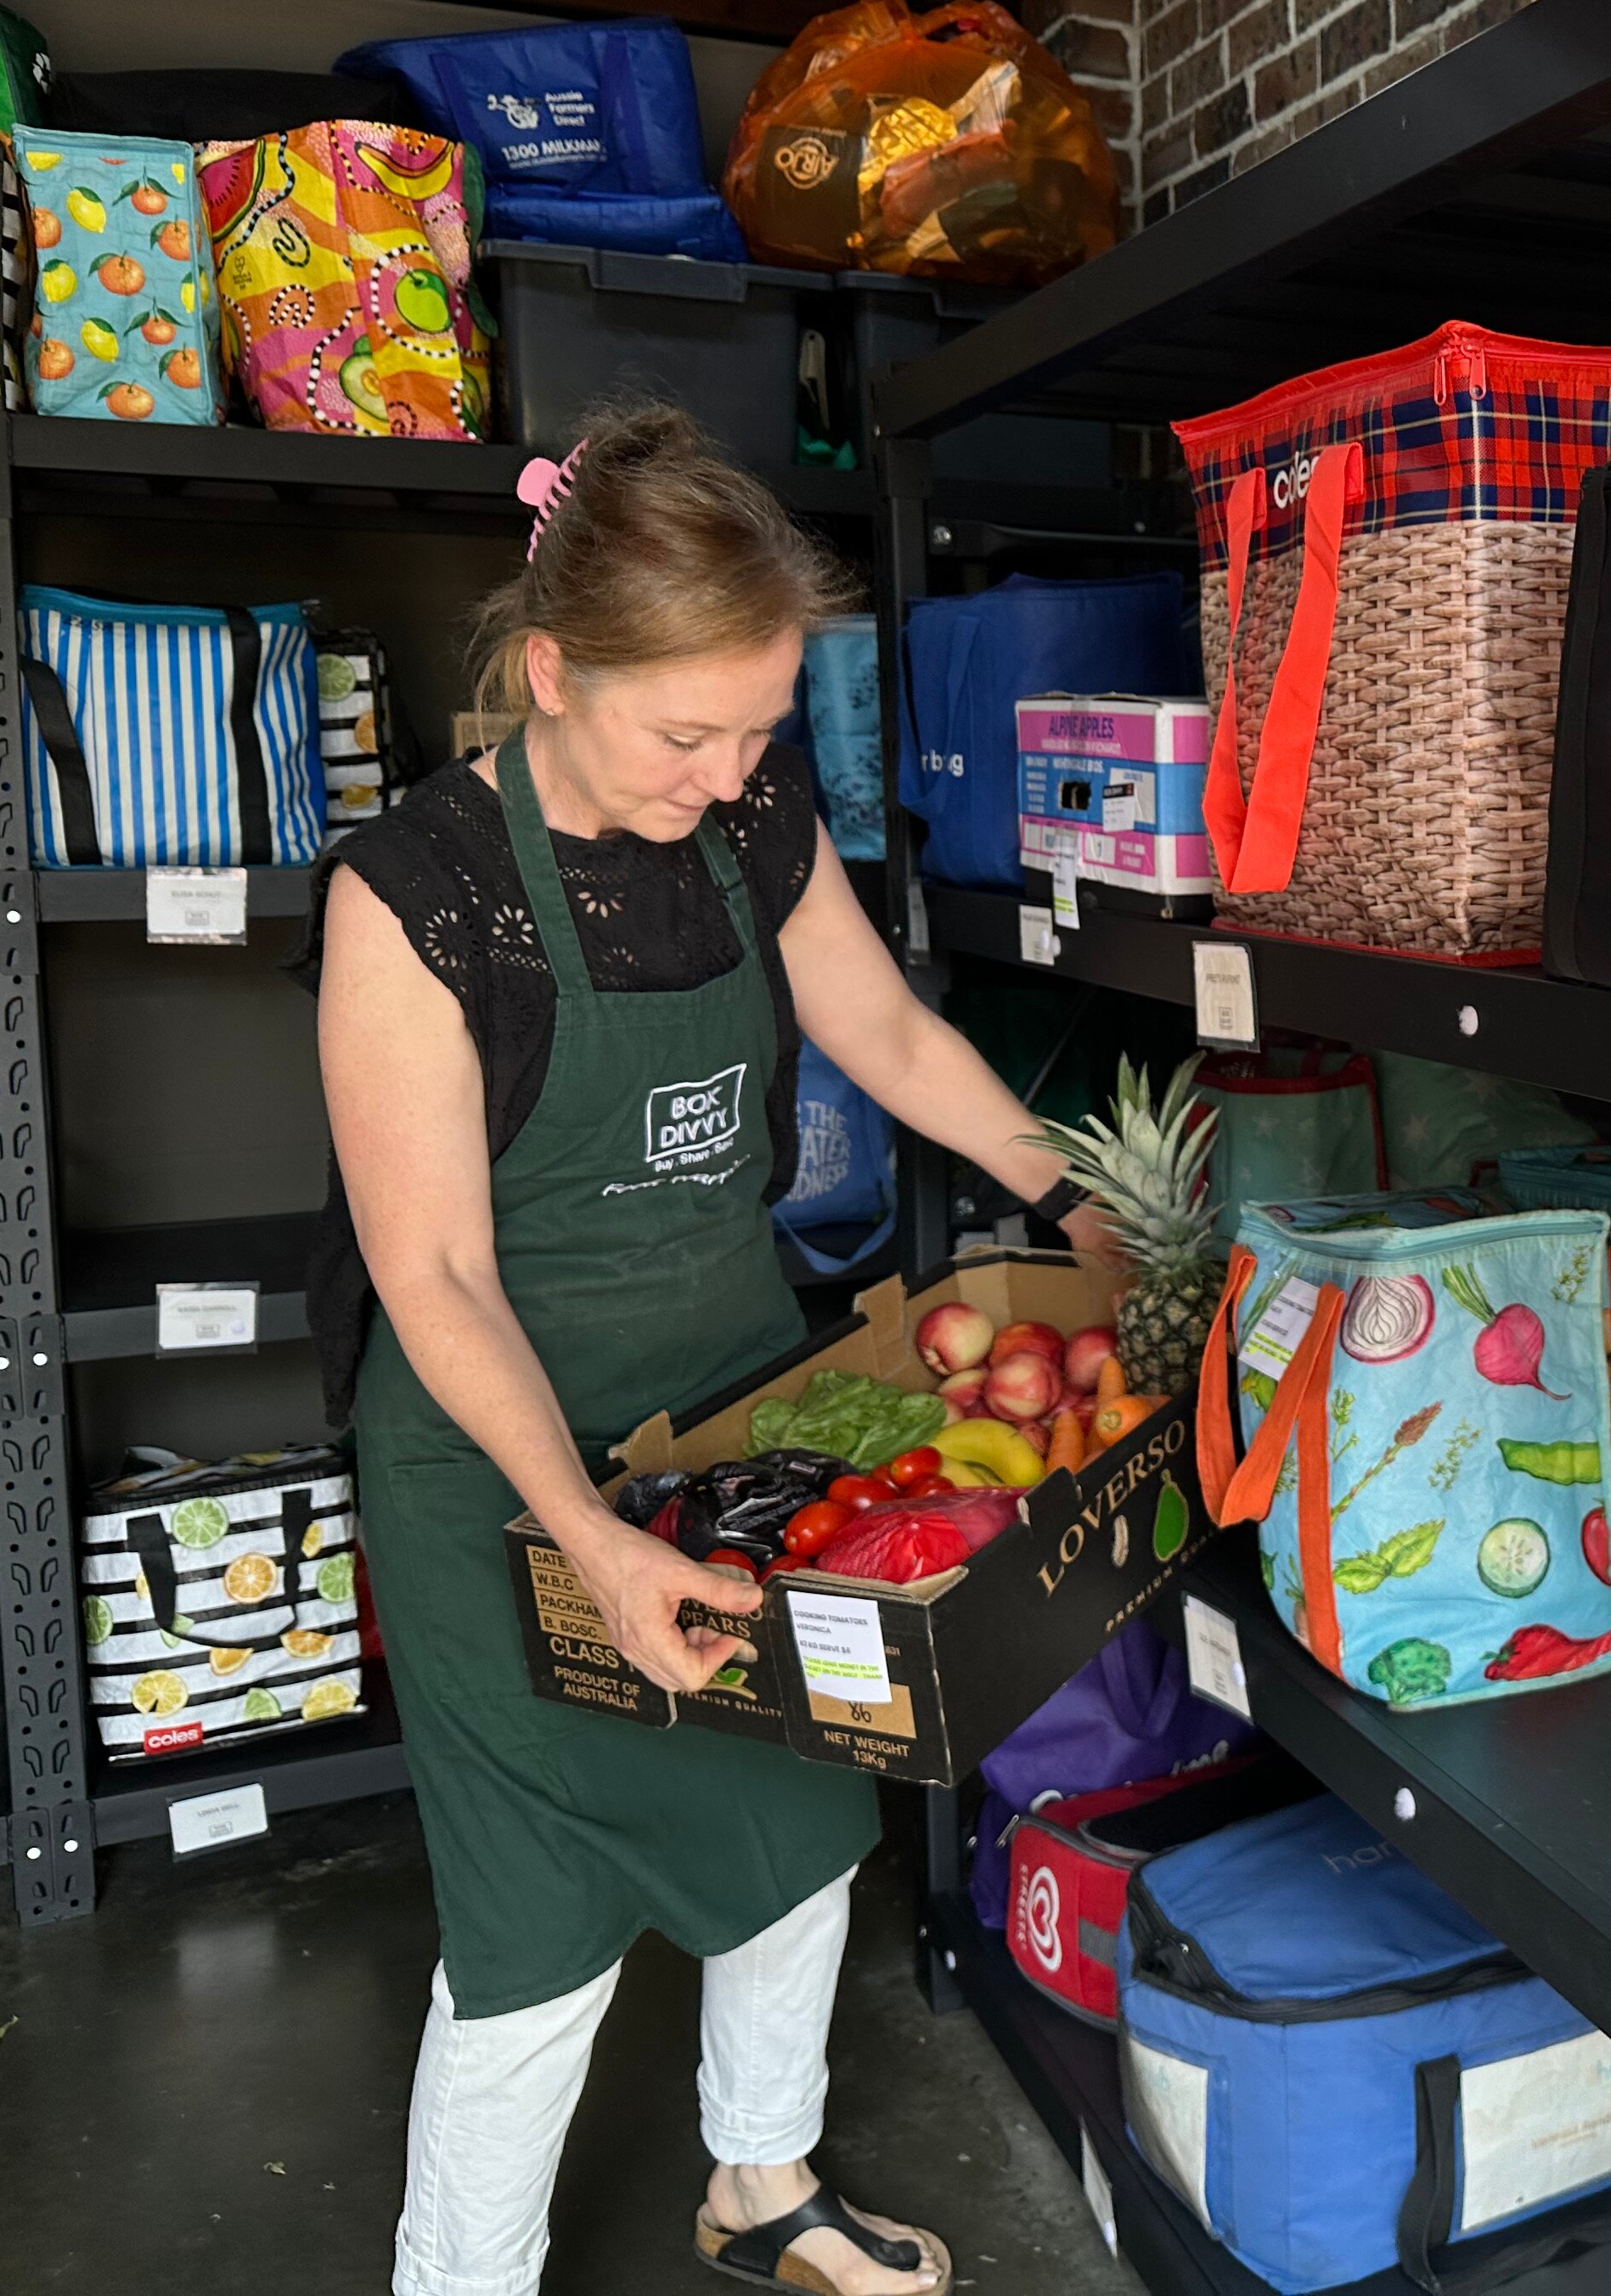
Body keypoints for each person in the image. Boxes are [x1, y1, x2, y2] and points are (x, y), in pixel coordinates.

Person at [304, 407, 1115, 2296]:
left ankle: (763, 2191)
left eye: (762, 727)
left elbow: (890, 1038)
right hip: (496, 1466)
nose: (735, 774)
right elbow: (429, 1272)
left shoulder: (745, 812)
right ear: (555, 669)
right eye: (690, 734)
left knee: (803, 1815)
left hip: (739, 1397)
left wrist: (1068, 1195)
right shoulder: (413, 892)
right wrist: (594, 1535)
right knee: (535, 1940)